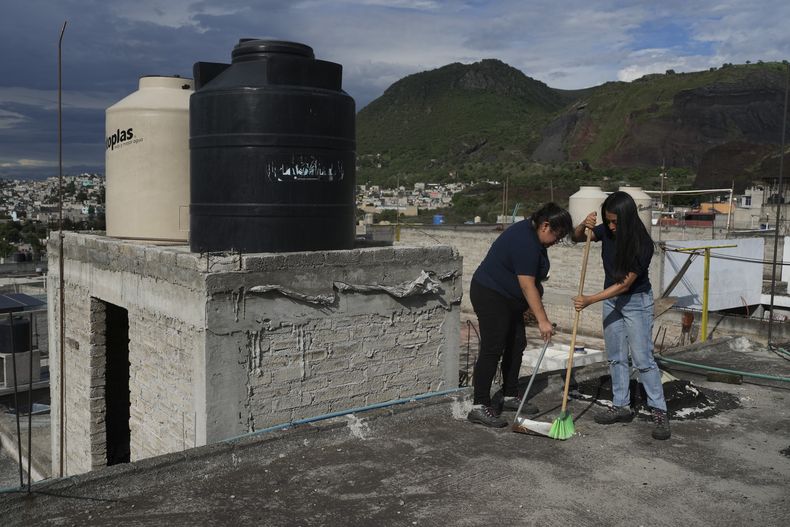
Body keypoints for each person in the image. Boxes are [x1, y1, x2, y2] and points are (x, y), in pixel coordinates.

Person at [571, 191, 670, 440]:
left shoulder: (642, 243)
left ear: (627, 218)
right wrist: (585, 224)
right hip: (611, 300)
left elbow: (626, 284)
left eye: (615, 222)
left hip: (636, 301)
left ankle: (659, 412)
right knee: (616, 357)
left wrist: (591, 299)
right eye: (608, 221)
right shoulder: (607, 229)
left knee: (643, 359)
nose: (611, 227)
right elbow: (577, 238)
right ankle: (621, 405)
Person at [467, 203, 573, 428]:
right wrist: (542, 320)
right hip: (491, 294)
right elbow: (527, 285)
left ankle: (509, 395)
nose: (557, 241)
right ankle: (479, 405)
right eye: (557, 235)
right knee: (493, 347)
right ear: (545, 225)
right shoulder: (525, 242)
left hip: (510, 299)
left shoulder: (534, 234)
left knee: (516, 344)